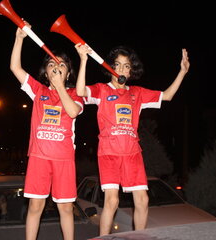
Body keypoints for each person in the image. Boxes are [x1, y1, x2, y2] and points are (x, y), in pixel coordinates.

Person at [75, 44, 189, 235]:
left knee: (143, 200)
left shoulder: (137, 93)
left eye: (126, 66)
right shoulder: (102, 90)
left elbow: (167, 96)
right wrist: (84, 60)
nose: (121, 69)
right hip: (109, 153)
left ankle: (139, 237)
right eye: (117, 65)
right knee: (112, 201)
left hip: (132, 153)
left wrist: (183, 72)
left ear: (131, 71)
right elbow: (79, 91)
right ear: (110, 67)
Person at [10, 22, 84, 240]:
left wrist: (60, 86)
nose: (55, 67)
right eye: (51, 64)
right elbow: (15, 68)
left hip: (64, 160)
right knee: (35, 206)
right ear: (45, 71)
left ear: (68, 72)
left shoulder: (76, 94)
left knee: (67, 209)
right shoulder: (38, 90)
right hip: (39, 157)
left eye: (61, 65)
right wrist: (20, 39)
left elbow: (72, 112)